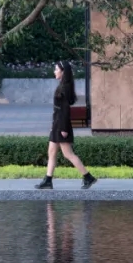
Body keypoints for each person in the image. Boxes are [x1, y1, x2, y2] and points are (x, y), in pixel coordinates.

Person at [36, 62, 97, 190]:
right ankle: (48, 180)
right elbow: (59, 110)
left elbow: (65, 110)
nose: (54, 71)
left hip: (61, 125)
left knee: (68, 154)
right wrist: (54, 125)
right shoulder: (63, 86)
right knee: (51, 152)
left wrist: (63, 128)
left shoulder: (64, 88)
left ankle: (88, 177)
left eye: (56, 69)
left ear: (63, 72)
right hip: (57, 124)